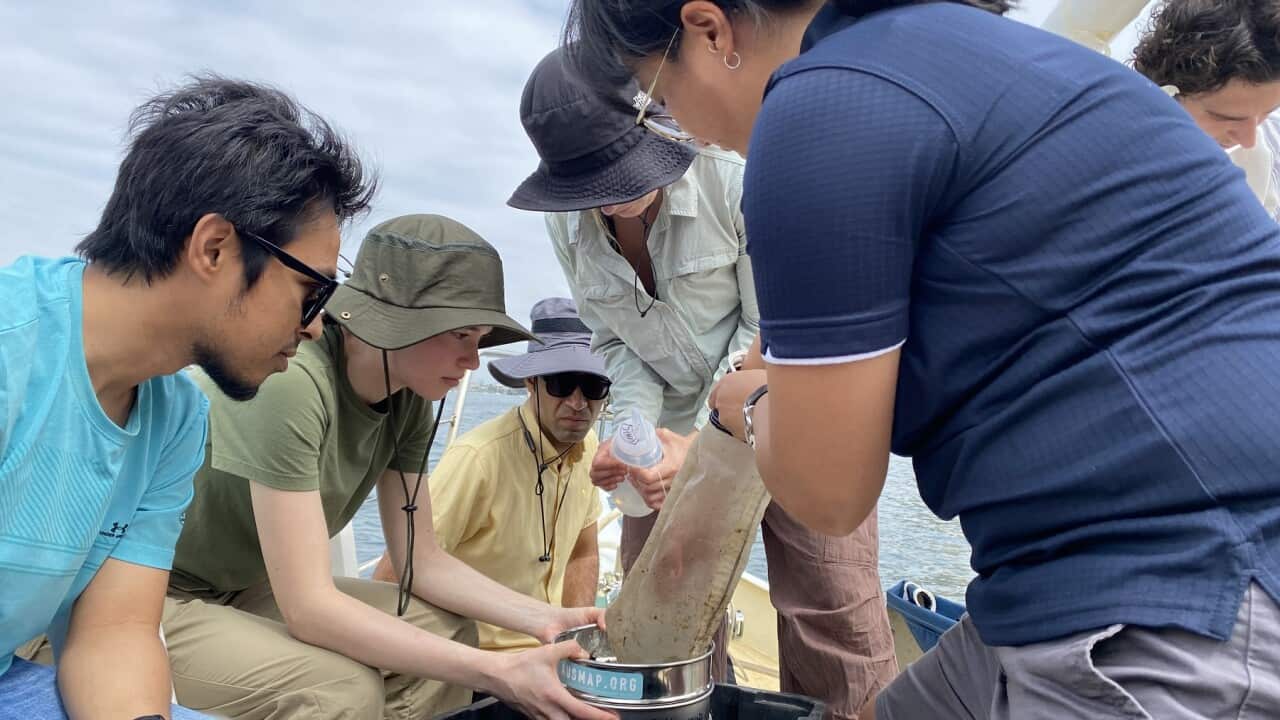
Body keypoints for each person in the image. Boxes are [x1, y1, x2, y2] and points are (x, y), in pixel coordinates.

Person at [565, 0, 1280, 718]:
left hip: (1188, 585)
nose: (680, 127)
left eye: (661, 101)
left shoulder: (819, 103)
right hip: (1058, 567)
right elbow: (792, 344)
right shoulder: (962, 56)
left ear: (710, 29)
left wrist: (745, 408)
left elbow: (830, 494)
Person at [508, 48, 898, 717]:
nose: (617, 192)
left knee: (833, 616)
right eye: (595, 182)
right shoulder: (565, 228)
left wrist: (709, 446)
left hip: (789, 410)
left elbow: (772, 324)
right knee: (659, 630)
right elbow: (614, 344)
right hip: (678, 430)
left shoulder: (736, 178)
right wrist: (635, 442)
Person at [0, 75, 371, 719]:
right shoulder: (12, 350)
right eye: (313, 289)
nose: (315, 326)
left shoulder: (174, 419)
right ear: (214, 247)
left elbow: (112, 632)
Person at [159, 215, 614, 720]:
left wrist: (548, 618)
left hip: (247, 586)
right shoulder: (292, 382)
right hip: (156, 595)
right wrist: (496, 673)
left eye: (480, 338)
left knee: (451, 628)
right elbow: (308, 607)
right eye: (461, 335)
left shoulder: (409, 399)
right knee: (339, 689)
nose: (471, 361)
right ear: (397, 323)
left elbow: (422, 558)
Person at [374, 298, 608, 653]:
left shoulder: (590, 448)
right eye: (562, 383)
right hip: (478, 666)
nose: (578, 403)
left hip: (553, 659)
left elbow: (583, 551)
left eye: (593, 387)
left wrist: (578, 647)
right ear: (532, 382)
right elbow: (396, 573)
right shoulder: (479, 459)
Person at [1044, 0, 1280, 217]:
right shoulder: (1075, 131)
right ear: (1167, 91)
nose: (1248, 139)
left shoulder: (1253, 167)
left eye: (1267, 112)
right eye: (1225, 117)